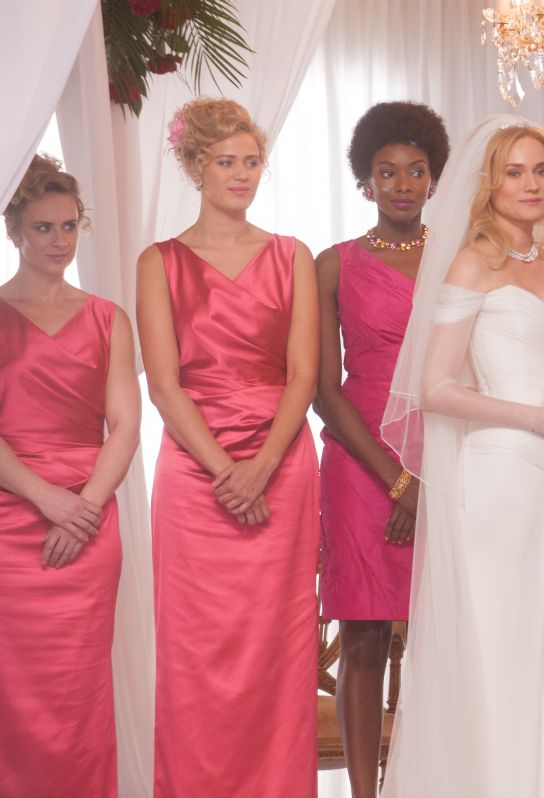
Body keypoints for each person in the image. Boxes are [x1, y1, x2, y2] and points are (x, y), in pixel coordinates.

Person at [379, 115, 544, 798]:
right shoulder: (472, 263)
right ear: (488, 182)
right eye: (515, 171)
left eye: (542, 170)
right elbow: (435, 388)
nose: (531, 184)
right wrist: (540, 418)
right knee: (502, 646)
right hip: (498, 479)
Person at [137, 98, 320, 796]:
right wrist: (227, 474)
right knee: (194, 650)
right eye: (226, 162)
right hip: (195, 478)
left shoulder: (293, 256)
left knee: (279, 648)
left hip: (282, 467)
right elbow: (164, 386)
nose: (242, 174)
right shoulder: (158, 263)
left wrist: (262, 467)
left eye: (251, 161)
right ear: (194, 167)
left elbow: (303, 376)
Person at [313, 100, 449, 797]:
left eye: (415, 170)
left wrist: (426, 476)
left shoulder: (463, 261)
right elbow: (321, 388)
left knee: (443, 636)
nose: (402, 184)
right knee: (363, 638)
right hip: (360, 458)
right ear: (364, 182)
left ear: (435, 179)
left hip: (447, 454)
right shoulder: (332, 265)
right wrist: (398, 482)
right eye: (386, 171)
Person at [0, 154, 139, 797]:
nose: (60, 241)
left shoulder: (109, 317)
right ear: (14, 232)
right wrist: (44, 496)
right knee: (11, 691)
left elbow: (126, 426)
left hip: (90, 520)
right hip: (11, 522)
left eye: (68, 226)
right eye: (43, 228)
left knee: (81, 689)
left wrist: (83, 508)